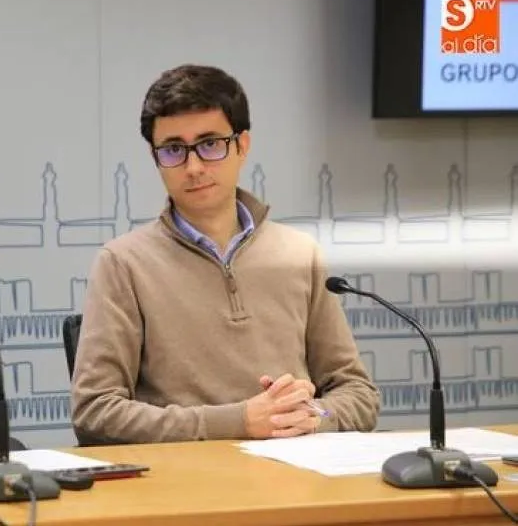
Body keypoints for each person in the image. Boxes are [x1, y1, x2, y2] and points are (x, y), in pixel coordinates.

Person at [71, 64, 381, 444]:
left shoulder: (300, 254)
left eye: (210, 144)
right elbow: (95, 412)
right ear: (155, 158)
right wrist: (238, 422)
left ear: (242, 145)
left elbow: (358, 394)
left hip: (295, 480)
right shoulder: (123, 263)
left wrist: (314, 416)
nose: (194, 166)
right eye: (173, 150)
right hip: (185, 488)